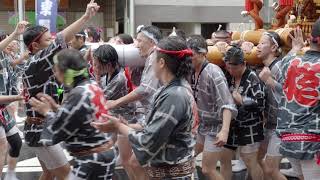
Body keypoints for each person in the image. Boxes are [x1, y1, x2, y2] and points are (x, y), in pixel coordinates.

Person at [92, 36, 197, 180]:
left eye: (152, 59)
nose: (149, 63)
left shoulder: (175, 95)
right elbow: (149, 126)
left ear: (161, 63)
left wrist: (118, 127)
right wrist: (127, 125)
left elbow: (148, 141)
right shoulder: (167, 90)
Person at [21, 1, 100, 179]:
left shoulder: (44, 67)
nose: (53, 43)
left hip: (40, 128)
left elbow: (58, 89)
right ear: (34, 46)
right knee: (66, 175)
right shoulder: (35, 64)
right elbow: (61, 40)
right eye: (48, 40)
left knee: (49, 173)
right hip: (40, 131)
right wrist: (85, 17)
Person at [28, 49, 116, 180]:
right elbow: (78, 116)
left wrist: (46, 112)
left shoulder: (78, 93)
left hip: (92, 160)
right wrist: (56, 107)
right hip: (103, 156)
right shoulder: (91, 85)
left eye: (56, 69)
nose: (54, 73)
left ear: (66, 72)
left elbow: (58, 129)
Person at [259, 19, 320, 180]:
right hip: (312, 142)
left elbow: (286, 90)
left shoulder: (289, 61)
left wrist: (296, 48)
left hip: (289, 139)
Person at [106, 25, 163, 180]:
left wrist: (115, 103)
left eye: (139, 41)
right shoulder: (149, 58)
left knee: (137, 163)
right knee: (134, 162)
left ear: (152, 42)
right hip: (150, 117)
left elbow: (145, 89)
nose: (135, 45)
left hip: (159, 117)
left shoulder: (155, 56)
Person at [187, 35, 237, 180]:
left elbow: (227, 103)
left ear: (203, 54)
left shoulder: (213, 72)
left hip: (215, 127)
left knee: (208, 169)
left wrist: (224, 131)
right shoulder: (190, 71)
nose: (189, 59)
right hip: (201, 125)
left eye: (192, 55)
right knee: (187, 157)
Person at [92, 44, 141, 179]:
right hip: (115, 119)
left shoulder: (119, 78)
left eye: (97, 65)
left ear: (108, 64)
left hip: (125, 121)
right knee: (105, 153)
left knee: (126, 161)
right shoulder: (109, 74)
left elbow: (101, 97)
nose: (95, 68)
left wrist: (96, 77)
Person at [223, 46, 265, 180]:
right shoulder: (228, 76)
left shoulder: (253, 78)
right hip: (232, 124)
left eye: (234, 68)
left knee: (250, 160)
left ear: (244, 64)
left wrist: (242, 100)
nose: (231, 71)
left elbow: (260, 104)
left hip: (250, 125)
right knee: (224, 158)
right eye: (228, 67)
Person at [256, 31, 288, 180]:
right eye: (258, 43)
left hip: (281, 126)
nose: (258, 46)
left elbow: (290, 95)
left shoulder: (280, 66)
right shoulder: (266, 67)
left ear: (274, 47)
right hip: (269, 124)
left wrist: (270, 81)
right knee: (257, 158)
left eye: (262, 43)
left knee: (271, 169)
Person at [0, 21, 28, 180]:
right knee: (2, 145)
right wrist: (15, 34)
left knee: (16, 142)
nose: (11, 45)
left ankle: (10, 174)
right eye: (7, 42)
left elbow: (17, 68)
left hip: (3, 108)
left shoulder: (6, 58)